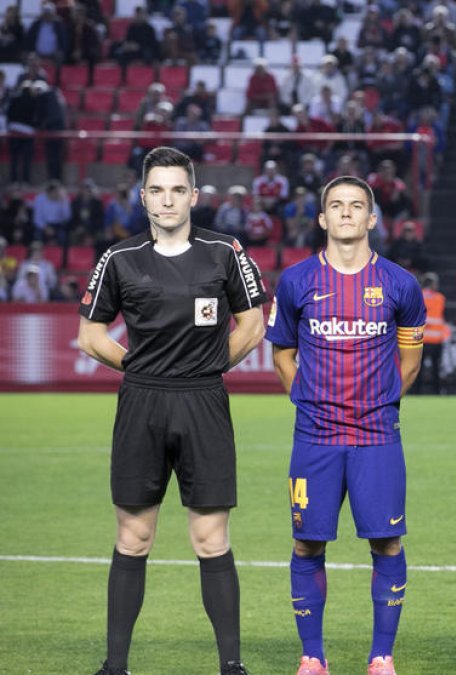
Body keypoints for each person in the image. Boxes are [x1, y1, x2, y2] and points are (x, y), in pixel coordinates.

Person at [77, 146, 265, 675]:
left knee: (211, 537)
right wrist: (140, 366)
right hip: (142, 400)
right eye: (157, 190)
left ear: (194, 196)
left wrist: (206, 366)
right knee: (133, 536)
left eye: (177, 189)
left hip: (204, 400)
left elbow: (252, 325)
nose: (167, 199)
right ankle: (116, 666)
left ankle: (232, 665)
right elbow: (90, 335)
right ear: (142, 197)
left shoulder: (225, 252)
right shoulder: (119, 259)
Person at [266, 176, 426, 675]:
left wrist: (379, 405)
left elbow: (412, 359)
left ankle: (382, 656)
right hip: (315, 437)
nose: (347, 214)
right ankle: (312, 656)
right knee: (307, 543)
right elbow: (283, 353)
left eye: (357, 206)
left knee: (387, 542)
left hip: (377, 436)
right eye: (336, 206)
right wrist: (309, 401)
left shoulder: (401, 284)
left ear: (372, 219)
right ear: (322, 218)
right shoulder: (296, 281)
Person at [418, 271, 448, 394]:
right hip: (436, 339)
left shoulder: (417, 296)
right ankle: (436, 391)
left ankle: (416, 392)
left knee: (418, 369)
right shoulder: (440, 298)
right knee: (436, 368)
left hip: (420, 339)